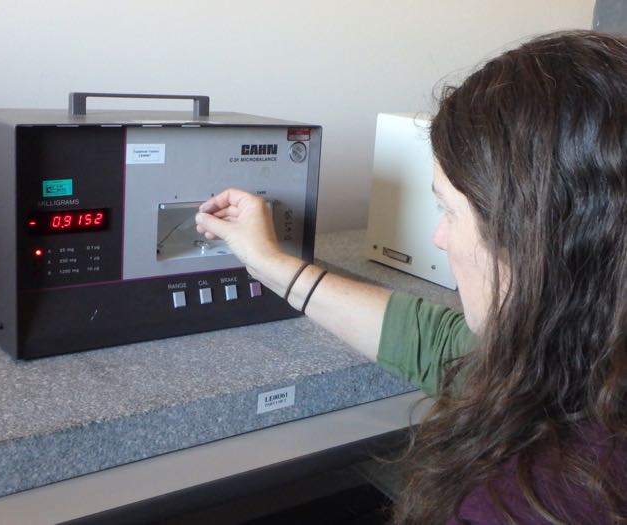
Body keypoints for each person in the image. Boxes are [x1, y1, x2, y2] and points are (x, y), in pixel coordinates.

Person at [195, 30, 627, 525]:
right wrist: (272, 264)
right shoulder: (589, 366)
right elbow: (448, 344)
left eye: (449, 210)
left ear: (533, 237)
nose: (440, 237)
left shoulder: (522, 502)